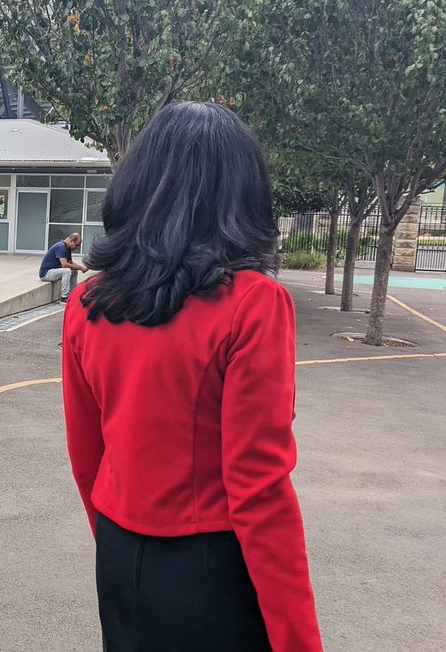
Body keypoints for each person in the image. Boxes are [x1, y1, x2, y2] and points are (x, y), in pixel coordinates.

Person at [61, 101, 321, 651]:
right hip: (210, 568)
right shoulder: (253, 304)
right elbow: (258, 486)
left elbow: (87, 454)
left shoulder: (88, 302)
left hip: (118, 549)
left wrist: (115, 538)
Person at [39, 232, 87, 301]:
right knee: (67, 271)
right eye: (77, 245)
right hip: (46, 274)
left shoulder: (67, 248)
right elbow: (64, 265)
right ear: (71, 241)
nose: (77, 248)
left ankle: (73, 294)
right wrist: (81, 268)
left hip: (54, 271)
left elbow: (70, 263)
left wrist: (82, 267)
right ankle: (64, 297)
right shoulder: (61, 246)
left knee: (74, 270)